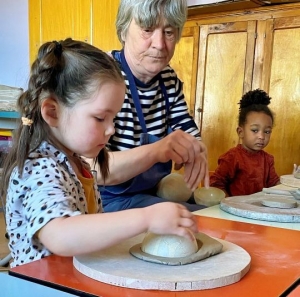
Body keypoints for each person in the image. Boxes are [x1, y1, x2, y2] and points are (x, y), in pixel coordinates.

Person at [0, 38, 198, 268]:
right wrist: (147, 218)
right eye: (100, 118)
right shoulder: (39, 168)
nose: (111, 128)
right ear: (52, 112)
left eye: (113, 117)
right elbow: (60, 236)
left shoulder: (77, 162)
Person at [87, 0, 209, 213]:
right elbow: (93, 168)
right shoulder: (103, 77)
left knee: (207, 212)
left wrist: (196, 149)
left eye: (169, 32)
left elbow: (187, 129)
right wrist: (158, 150)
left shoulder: (168, 78)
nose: (160, 44)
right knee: (192, 219)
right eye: (147, 30)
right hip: (104, 199)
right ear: (124, 30)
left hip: (149, 193)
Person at [210, 89, 280, 197]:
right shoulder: (232, 157)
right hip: (233, 211)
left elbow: (275, 185)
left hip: (258, 210)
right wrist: (229, 203)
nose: (261, 136)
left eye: (267, 132)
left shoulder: (268, 159)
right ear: (240, 132)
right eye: (255, 130)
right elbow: (216, 184)